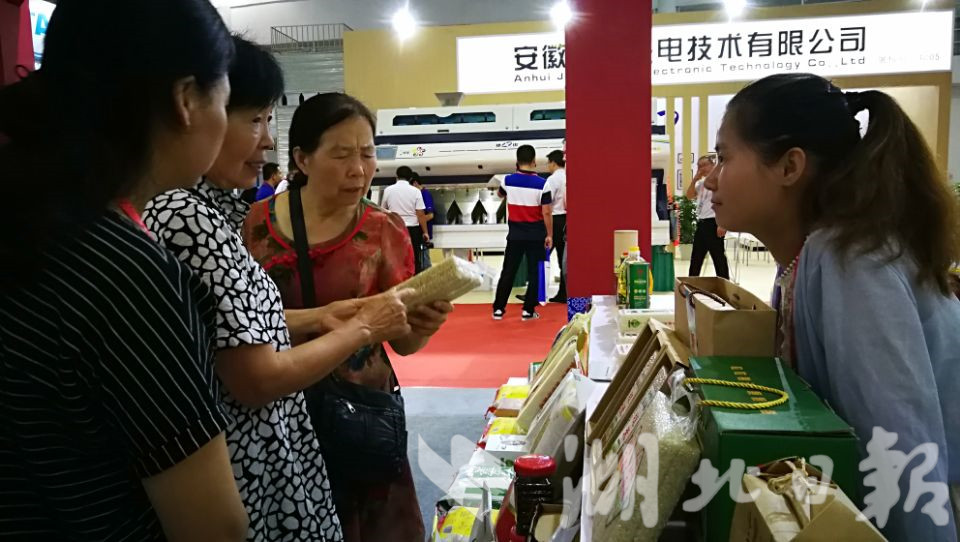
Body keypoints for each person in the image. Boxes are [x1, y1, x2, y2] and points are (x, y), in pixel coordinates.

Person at [144, 38, 413, 542]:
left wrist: (323, 316)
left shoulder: (380, 227)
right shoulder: (202, 217)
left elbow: (230, 323)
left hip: (329, 426)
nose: (267, 140)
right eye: (255, 120)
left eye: (367, 154)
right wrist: (360, 325)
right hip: (253, 456)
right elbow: (254, 375)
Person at [0, 0, 249, 540]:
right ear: (186, 99)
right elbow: (213, 528)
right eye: (227, 100)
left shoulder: (29, 221)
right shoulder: (127, 272)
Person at [705, 73, 960, 541]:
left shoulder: (851, 262)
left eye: (724, 157)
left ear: (789, 166)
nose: (710, 178)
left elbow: (902, 451)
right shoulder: (805, 260)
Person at [244, 92, 453, 542]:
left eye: (367, 153)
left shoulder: (384, 229)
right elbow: (242, 322)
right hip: (279, 409)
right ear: (302, 158)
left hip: (362, 416)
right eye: (341, 155)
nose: (358, 169)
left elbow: (403, 343)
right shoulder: (256, 225)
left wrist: (424, 325)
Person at [492, 145, 553, 321]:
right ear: (534, 161)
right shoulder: (543, 184)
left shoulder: (507, 180)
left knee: (508, 271)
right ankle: (528, 310)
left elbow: (500, 195)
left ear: (517, 161)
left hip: (515, 234)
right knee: (535, 272)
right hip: (536, 234)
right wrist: (549, 234)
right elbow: (546, 212)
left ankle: (498, 309)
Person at [686, 154, 730, 279]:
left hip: (714, 223)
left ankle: (724, 283)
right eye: (699, 166)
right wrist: (695, 179)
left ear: (713, 165)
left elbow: (727, 202)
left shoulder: (721, 181)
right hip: (702, 223)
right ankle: (691, 283)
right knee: (696, 257)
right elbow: (689, 196)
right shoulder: (701, 184)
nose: (701, 168)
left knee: (718, 257)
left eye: (704, 165)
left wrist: (723, 224)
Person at [381, 165, 430, 273]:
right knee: (413, 259)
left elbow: (384, 211)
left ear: (396, 176)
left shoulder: (388, 190)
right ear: (410, 178)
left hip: (394, 229)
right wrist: (425, 232)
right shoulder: (416, 191)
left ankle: (397, 281)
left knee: (395, 258)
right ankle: (413, 281)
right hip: (412, 231)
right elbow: (420, 214)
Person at [543, 150, 567, 303]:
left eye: (548, 163)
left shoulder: (552, 179)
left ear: (553, 163)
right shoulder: (569, 176)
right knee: (563, 259)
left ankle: (537, 293)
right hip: (567, 220)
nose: (548, 166)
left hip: (555, 220)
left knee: (541, 256)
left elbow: (547, 203)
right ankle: (564, 293)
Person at [411, 171, 435, 270]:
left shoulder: (425, 194)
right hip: (416, 232)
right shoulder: (415, 195)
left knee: (425, 261)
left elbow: (430, 215)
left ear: (415, 183)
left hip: (423, 233)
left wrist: (417, 221)